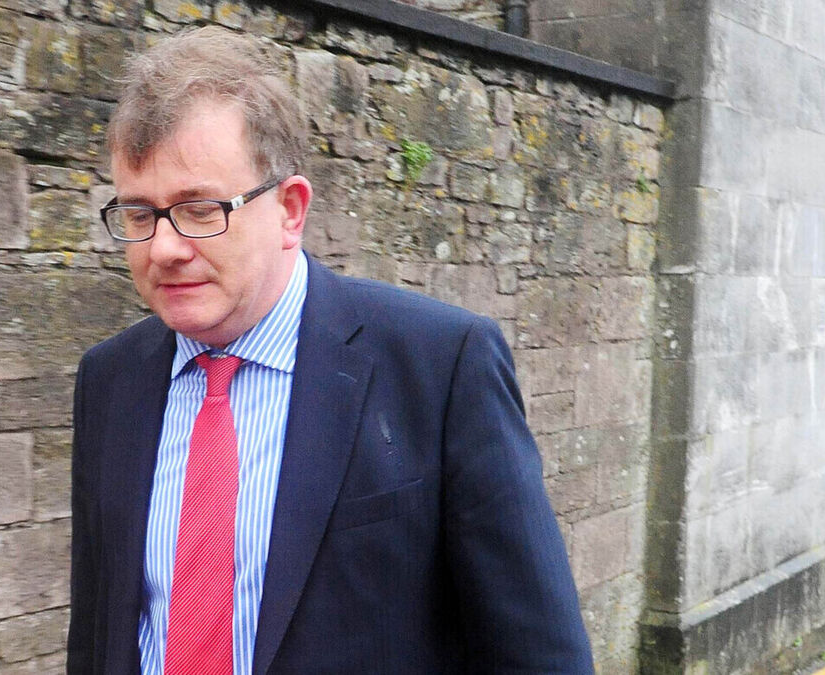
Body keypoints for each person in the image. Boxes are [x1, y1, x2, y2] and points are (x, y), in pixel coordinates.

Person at [68, 26, 594, 674]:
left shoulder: (440, 366)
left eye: (200, 209)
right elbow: (97, 630)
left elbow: (540, 654)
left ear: (290, 210)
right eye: (139, 215)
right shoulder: (109, 379)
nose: (164, 248)